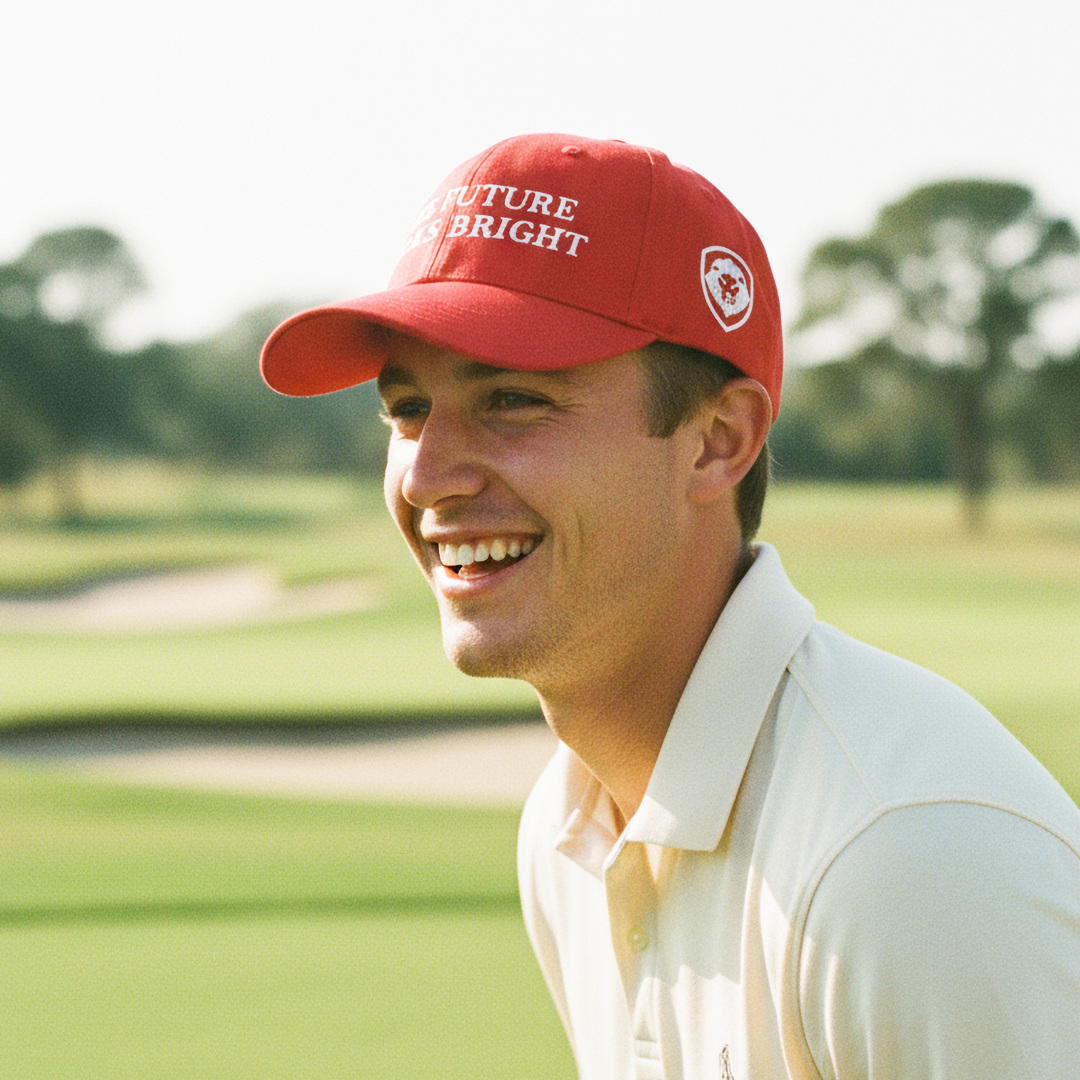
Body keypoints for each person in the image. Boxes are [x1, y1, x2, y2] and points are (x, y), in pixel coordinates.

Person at [260, 133, 1080, 1079]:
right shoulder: (568, 825)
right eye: (408, 410)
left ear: (718, 441)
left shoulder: (909, 860)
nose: (426, 476)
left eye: (513, 400)